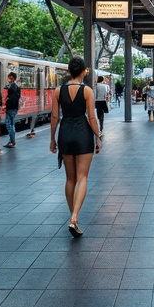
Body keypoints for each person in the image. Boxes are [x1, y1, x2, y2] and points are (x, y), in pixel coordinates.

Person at [49, 56, 101, 237]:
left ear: (70, 71)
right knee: (82, 177)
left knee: (70, 179)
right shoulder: (87, 91)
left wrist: (52, 139)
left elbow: (54, 117)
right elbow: (92, 117)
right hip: (83, 133)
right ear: (83, 71)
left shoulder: (58, 91)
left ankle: (73, 217)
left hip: (65, 133)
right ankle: (75, 217)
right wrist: (98, 136)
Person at [3, 72, 21, 149]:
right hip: (14, 108)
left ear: (12, 78)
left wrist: (6, 103)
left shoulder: (12, 87)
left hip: (11, 108)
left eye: (9, 78)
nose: (8, 79)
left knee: (9, 124)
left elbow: (12, 98)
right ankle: (12, 141)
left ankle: (12, 141)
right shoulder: (17, 87)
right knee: (11, 124)